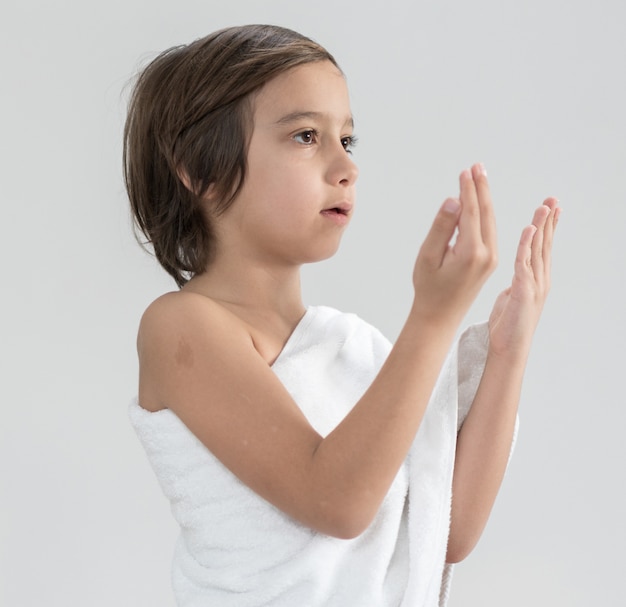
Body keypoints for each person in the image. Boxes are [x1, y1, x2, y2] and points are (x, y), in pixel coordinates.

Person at [124, 24, 559, 607]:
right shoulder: (183, 326)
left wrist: (508, 351)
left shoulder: (349, 345)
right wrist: (432, 319)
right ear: (199, 169)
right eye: (306, 136)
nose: (345, 166)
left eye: (347, 141)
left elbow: (444, 530)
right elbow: (335, 501)